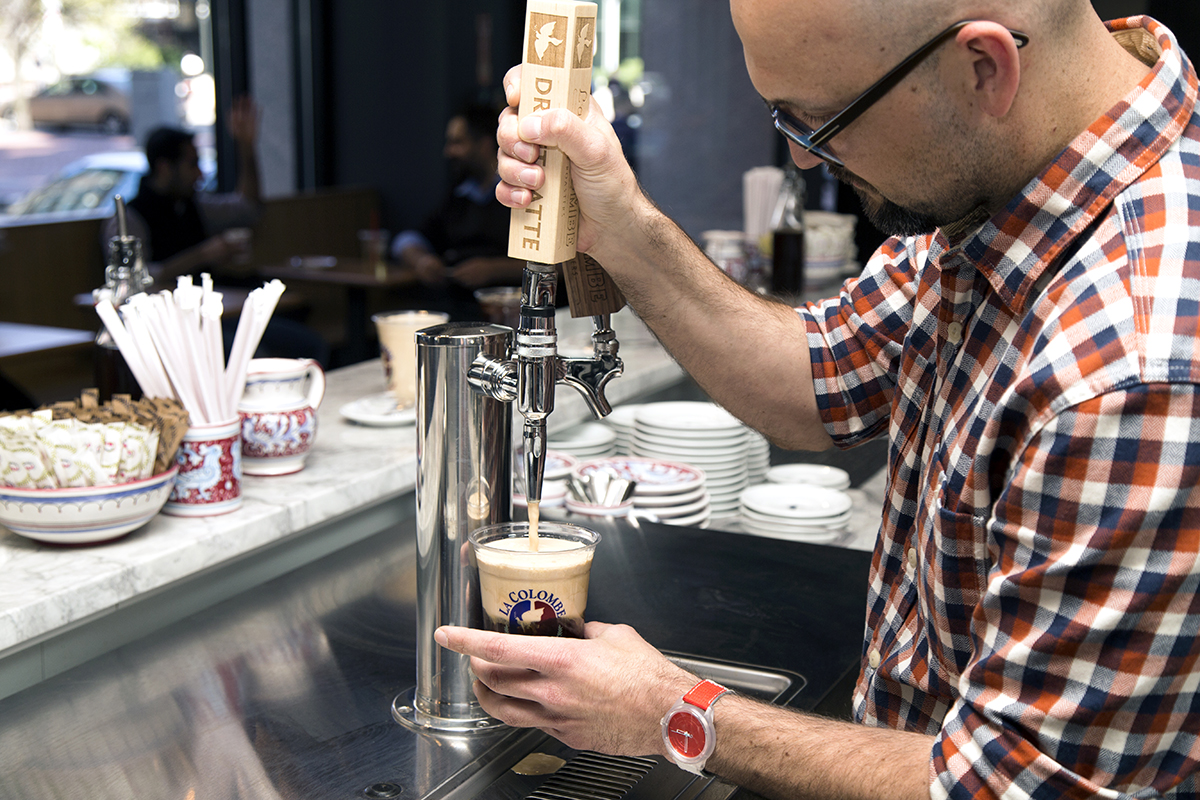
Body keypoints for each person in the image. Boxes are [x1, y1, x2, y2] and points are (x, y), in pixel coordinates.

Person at [434, 2, 1200, 798]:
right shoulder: (1005, 191)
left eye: (821, 122)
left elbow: (1005, 787)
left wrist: (672, 710)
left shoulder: (1137, 366)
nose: (802, 162)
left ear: (984, 68)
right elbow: (824, 373)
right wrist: (615, 218)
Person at [104, 98, 330, 365]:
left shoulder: (193, 204)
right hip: (173, 331)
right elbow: (137, 281)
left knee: (312, 345)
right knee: (256, 356)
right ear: (164, 167)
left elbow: (248, 208)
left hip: (216, 315)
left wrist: (246, 147)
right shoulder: (131, 218)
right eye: (192, 164)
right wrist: (202, 255)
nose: (200, 173)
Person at [390, 102, 530, 321]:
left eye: (457, 143)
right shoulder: (459, 195)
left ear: (484, 145)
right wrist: (421, 261)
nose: (448, 152)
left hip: (514, 314)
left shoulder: (522, 193)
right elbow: (407, 239)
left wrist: (493, 269)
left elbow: (557, 266)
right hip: (457, 309)